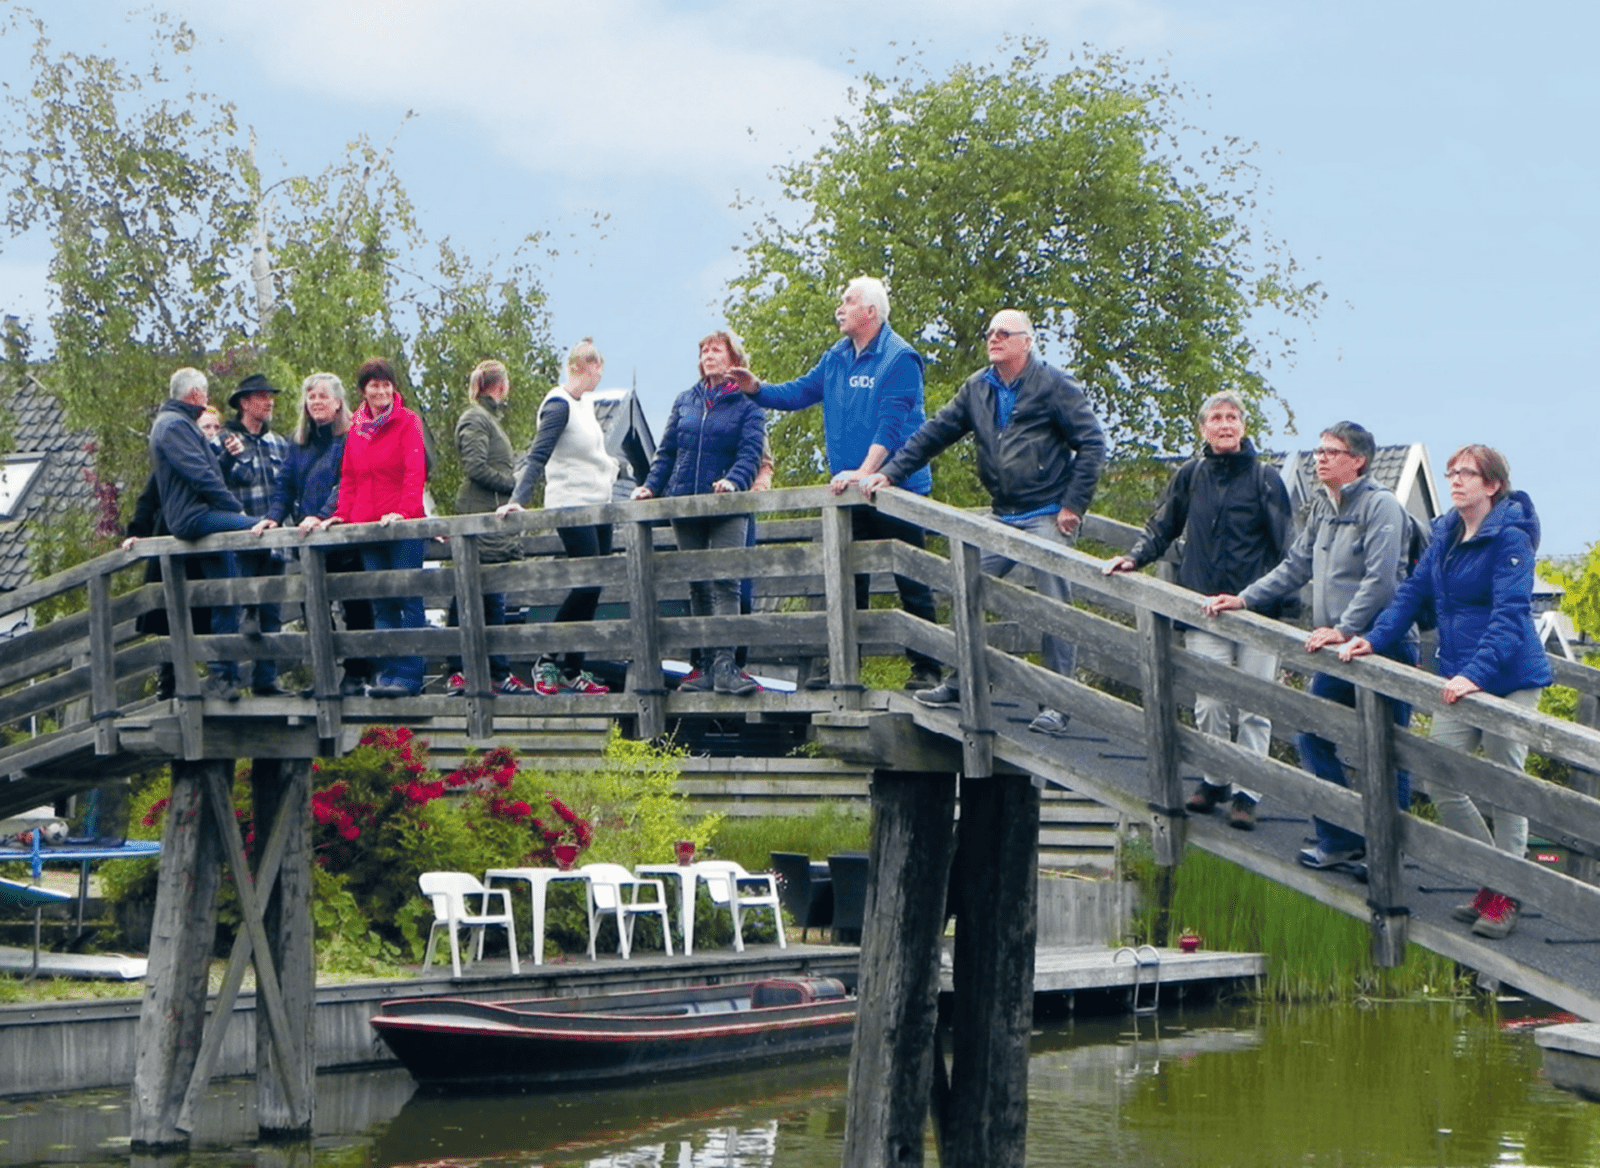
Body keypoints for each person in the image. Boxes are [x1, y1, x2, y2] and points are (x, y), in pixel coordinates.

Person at [859, 309, 1106, 736]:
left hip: (1047, 513)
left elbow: (1093, 444)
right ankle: (961, 681)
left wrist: (1073, 505)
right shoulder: (978, 388)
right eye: (990, 332)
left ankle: (1058, 702)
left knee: (1053, 603)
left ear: (1026, 342)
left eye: (1004, 333)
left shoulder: (1054, 385)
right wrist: (890, 473)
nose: (994, 338)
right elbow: (933, 433)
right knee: (965, 584)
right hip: (1002, 514)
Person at [1339, 445, 1551, 940]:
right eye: (1451, 473)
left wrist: (1475, 675)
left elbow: (1509, 615)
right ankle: (1492, 878)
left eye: (1467, 474)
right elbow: (1412, 592)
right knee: (1441, 776)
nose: (1455, 481)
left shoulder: (1511, 537)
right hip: (1459, 675)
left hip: (1510, 679)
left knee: (1505, 786)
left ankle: (1506, 893)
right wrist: (1372, 638)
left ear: (1492, 484)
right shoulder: (1446, 533)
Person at [1203, 421, 1417, 871]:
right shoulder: (1323, 507)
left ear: (1357, 460)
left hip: (1383, 645)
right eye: (1319, 450)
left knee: (1387, 751)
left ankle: (1387, 855)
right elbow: (1295, 565)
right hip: (1339, 650)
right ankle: (1339, 838)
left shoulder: (1381, 509)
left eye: (1332, 452)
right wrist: (1244, 597)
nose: (1320, 458)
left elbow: (1382, 581)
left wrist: (1344, 628)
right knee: (1310, 731)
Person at [729, 276, 942, 692]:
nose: (839, 308)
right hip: (851, 492)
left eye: (848, 301)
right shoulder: (838, 356)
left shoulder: (900, 358)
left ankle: (927, 668)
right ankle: (844, 667)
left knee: (911, 578)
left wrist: (866, 470)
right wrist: (757, 390)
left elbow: (892, 424)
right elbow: (800, 392)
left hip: (897, 489)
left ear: (870, 312)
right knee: (846, 580)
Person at [1102, 392, 1292, 830]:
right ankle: (1215, 780)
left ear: (1243, 427)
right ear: (1204, 428)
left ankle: (1247, 792)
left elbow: (1288, 547)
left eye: (1232, 418)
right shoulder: (1191, 475)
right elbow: (1163, 525)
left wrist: (1284, 615)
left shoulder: (1266, 478)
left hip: (1255, 611)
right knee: (1208, 702)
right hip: (1203, 606)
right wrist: (1134, 557)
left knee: (1253, 707)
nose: (1225, 425)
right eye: (1216, 418)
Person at [633, 332, 766, 695]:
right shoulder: (685, 401)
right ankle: (706, 666)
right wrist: (651, 486)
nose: (708, 354)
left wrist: (734, 481)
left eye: (716, 349)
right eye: (704, 350)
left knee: (726, 581)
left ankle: (726, 664)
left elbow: (750, 454)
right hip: (684, 503)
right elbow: (668, 452)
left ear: (733, 357)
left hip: (726, 506)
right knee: (697, 584)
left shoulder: (748, 405)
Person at [498, 339, 616, 696]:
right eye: (599, 369)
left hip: (599, 504)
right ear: (588, 366)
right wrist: (519, 499)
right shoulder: (558, 405)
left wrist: (615, 469)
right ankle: (547, 657)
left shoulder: (586, 405)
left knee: (595, 587)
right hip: (571, 503)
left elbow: (591, 454)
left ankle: (573, 667)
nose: (600, 376)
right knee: (586, 581)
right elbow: (537, 456)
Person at [250, 373, 374, 696]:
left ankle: (358, 674)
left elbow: (349, 483)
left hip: (344, 534)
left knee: (356, 604)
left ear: (337, 403)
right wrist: (272, 518)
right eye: (311, 397)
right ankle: (324, 676)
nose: (316, 402)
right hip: (309, 541)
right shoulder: (300, 442)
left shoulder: (351, 437)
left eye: (322, 396)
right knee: (313, 607)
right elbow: (285, 485)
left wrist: (323, 516)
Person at [320, 359, 429, 698]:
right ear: (363, 390)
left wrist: (405, 511)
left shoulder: (408, 421)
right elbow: (350, 476)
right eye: (373, 385)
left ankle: (410, 676)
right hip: (368, 524)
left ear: (393, 388)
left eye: (386, 385)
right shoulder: (356, 428)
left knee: (408, 598)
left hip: (402, 525)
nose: (381, 391)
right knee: (381, 602)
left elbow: (415, 469)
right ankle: (388, 674)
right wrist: (342, 514)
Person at [147, 367, 256, 702]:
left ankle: (225, 676)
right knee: (259, 530)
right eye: (205, 393)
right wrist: (236, 510)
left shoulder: (177, 425)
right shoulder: (173, 426)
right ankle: (256, 607)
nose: (207, 400)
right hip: (193, 518)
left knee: (223, 589)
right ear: (194, 395)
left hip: (201, 515)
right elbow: (200, 476)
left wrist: (223, 459)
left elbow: (207, 470)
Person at [442, 360, 534, 696]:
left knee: (492, 596)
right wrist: (514, 484)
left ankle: (496, 672)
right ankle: (459, 672)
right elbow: (475, 467)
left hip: (492, 522)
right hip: (478, 518)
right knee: (470, 595)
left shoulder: (486, 418)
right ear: (500, 385)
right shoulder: (475, 418)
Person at [219, 373, 292, 695]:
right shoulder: (223, 442)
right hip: (241, 542)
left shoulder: (280, 443)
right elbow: (215, 487)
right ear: (244, 403)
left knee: (271, 614)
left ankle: (267, 679)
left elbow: (288, 489)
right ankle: (229, 678)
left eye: (270, 396)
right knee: (235, 611)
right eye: (262, 397)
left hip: (275, 542)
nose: (270, 402)